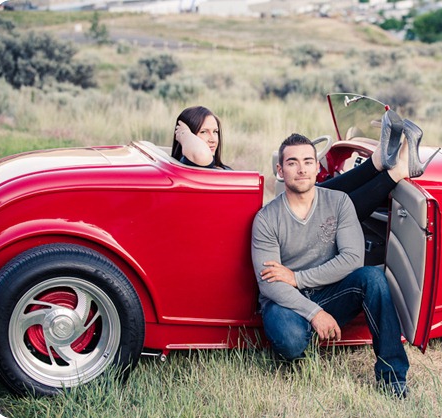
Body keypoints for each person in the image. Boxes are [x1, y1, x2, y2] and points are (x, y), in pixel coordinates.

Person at [250, 133, 410, 398]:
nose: (301, 169)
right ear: (280, 169)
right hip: (286, 303)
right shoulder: (267, 219)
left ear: (316, 167)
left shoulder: (338, 202)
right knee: (290, 341)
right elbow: (270, 283)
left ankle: (392, 377)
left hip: (330, 292)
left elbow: (352, 260)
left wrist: (297, 278)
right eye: (292, 163)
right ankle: (305, 341)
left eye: (307, 161)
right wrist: (314, 313)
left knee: (372, 278)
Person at [171, 105, 415, 223]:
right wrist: (183, 135)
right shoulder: (196, 163)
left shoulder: (204, 166)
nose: (212, 139)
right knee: (337, 211)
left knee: (322, 192)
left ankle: (377, 163)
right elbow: (202, 155)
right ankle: (395, 173)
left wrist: (191, 135)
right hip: (270, 231)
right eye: (203, 132)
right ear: (190, 138)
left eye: (215, 131)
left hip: (263, 218)